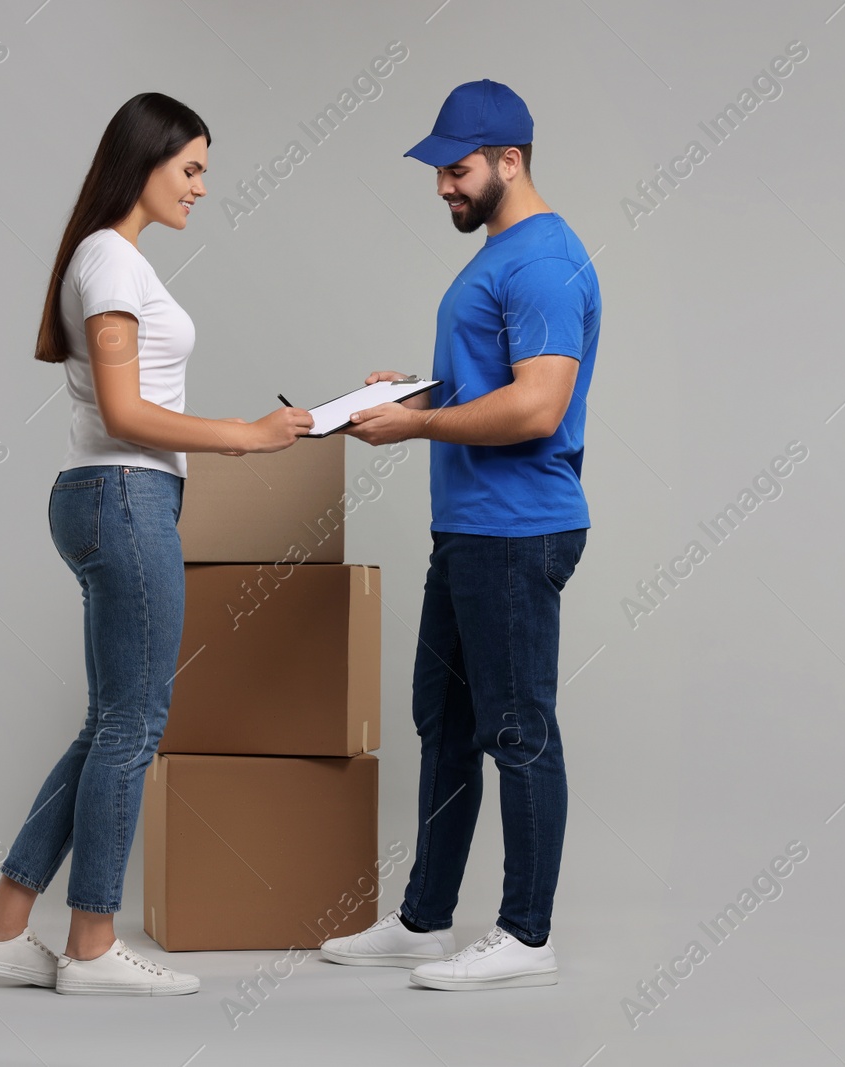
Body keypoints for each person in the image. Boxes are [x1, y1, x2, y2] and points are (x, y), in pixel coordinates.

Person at [0, 92, 313, 997]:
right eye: (190, 167)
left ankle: (3, 929)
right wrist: (250, 434)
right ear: (143, 161)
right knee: (135, 722)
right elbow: (124, 412)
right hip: (125, 493)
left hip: (106, 494)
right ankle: (91, 944)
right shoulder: (111, 261)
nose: (201, 186)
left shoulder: (111, 258)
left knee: (109, 720)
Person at [323, 79, 601, 991]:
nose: (444, 185)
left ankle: (526, 936)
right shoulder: (499, 255)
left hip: (517, 532)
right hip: (471, 530)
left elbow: (538, 403)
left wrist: (418, 428)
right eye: (441, 171)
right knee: (442, 726)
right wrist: (420, 391)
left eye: (458, 168)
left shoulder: (545, 260)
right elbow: (495, 378)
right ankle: (424, 921)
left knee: (518, 730)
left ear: (509, 161)